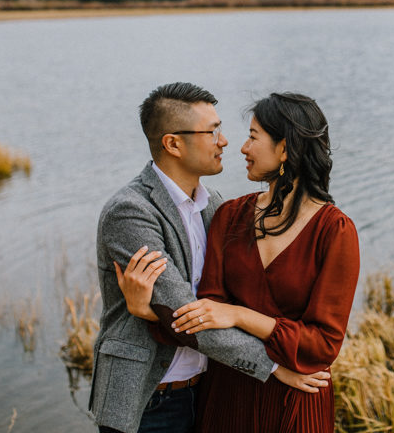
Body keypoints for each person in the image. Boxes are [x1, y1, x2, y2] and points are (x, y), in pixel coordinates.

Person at [91, 83, 328, 433]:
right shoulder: (131, 213)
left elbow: (226, 302)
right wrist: (274, 367)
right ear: (172, 143)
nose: (225, 141)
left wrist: (149, 311)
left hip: (206, 393)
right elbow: (187, 314)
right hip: (148, 401)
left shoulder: (215, 206)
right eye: (212, 130)